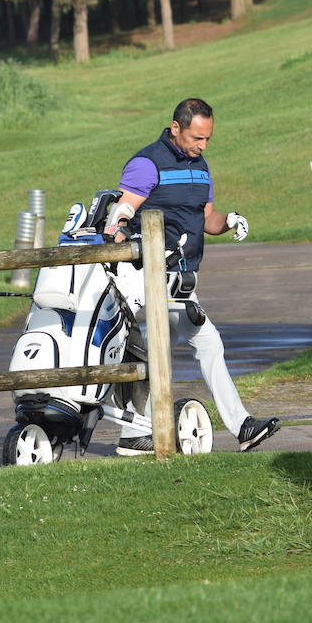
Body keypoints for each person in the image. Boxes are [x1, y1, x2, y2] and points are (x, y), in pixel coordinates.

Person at [105, 98, 281, 455]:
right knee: (205, 344)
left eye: (207, 139)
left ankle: (134, 435)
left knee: (158, 356)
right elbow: (121, 212)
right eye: (196, 138)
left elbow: (207, 219)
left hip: (181, 278)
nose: (202, 145)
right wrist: (119, 225)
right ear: (175, 128)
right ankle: (242, 425)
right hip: (147, 276)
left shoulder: (201, 168)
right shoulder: (147, 163)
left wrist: (228, 221)